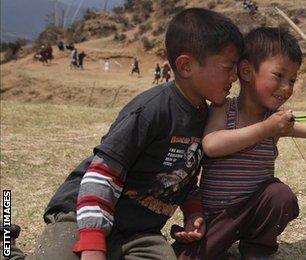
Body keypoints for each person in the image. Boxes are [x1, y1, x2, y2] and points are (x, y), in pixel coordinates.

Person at [6, 8, 243, 260]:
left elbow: (185, 177)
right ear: (186, 66)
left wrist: (193, 212)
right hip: (83, 215)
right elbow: (101, 175)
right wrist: (93, 244)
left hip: (138, 232)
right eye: (228, 67)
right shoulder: (152, 109)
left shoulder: (206, 117)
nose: (235, 76)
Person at [172, 27, 306, 259]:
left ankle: (258, 249)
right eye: (279, 76)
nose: (287, 88)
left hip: (256, 211)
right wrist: (267, 129)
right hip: (219, 218)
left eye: (293, 79)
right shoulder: (224, 109)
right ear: (246, 71)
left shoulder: (276, 122)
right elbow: (212, 145)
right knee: (186, 257)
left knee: (279, 195)